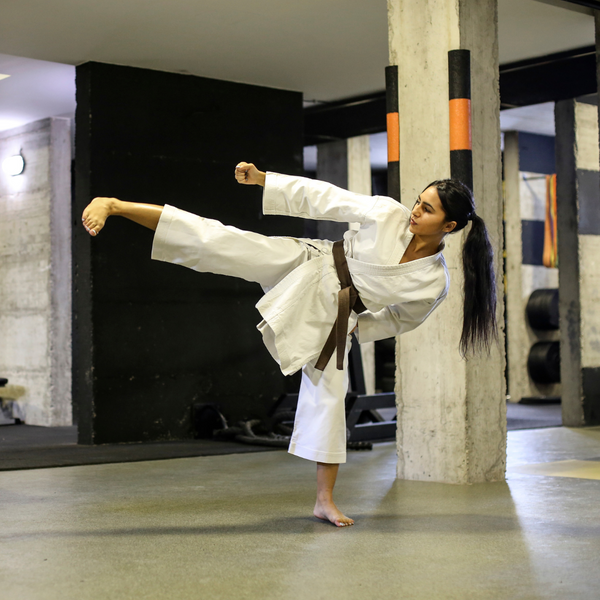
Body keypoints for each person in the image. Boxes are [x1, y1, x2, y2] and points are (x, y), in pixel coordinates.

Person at [82, 162, 497, 527]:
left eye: (427, 209)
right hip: (311, 263)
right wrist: (265, 181)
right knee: (221, 241)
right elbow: (326, 198)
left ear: (449, 227)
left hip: (337, 316)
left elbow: (401, 319)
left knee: (330, 400)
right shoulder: (388, 213)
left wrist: (356, 330)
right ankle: (116, 204)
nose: (414, 211)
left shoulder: (433, 281)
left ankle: (324, 501)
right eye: (417, 201)